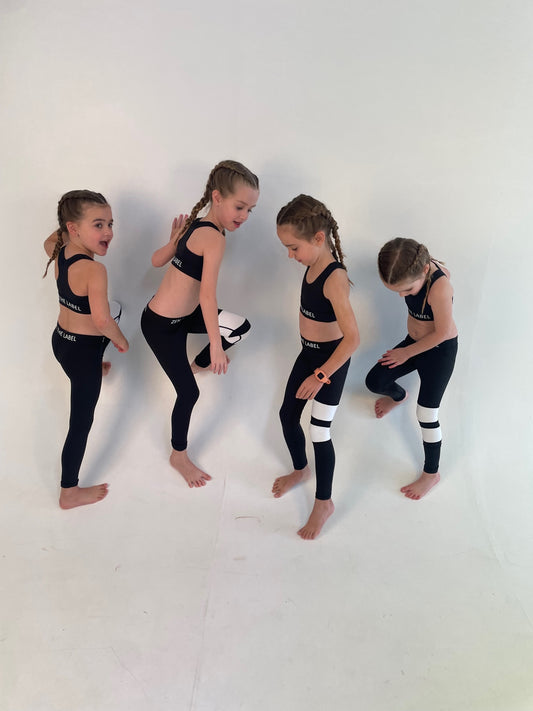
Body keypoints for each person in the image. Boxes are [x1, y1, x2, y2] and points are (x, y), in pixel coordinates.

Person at [141, 160, 259, 488]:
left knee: (240, 326)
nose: (244, 216)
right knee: (189, 393)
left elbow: (157, 261)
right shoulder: (213, 238)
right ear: (217, 197)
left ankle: (199, 363)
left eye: (250, 210)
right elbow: (206, 295)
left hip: (184, 317)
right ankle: (178, 455)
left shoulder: (199, 225)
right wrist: (217, 347)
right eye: (240, 207)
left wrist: (174, 240)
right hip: (161, 326)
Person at [273, 195, 359, 539]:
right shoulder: (312, 265)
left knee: (319, 431)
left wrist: (321, 375)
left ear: (318, 238)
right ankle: (300, 470)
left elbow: (353, 339)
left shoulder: (335, 278)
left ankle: (324, 502)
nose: (290, 255)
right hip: (307, 354)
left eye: (294, 248)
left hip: (330, 363)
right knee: (287, 415)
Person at [43, 190, 129, 509]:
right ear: (74, 228)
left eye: (110, 223)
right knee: (80, 424)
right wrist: (121, 341)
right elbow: (103, 321)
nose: (108, 232)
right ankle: (69, 492)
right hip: (82, 354)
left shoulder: (59, 248)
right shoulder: (95, 270)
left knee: (116, 307)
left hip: (60, 342)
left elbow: (48, 240)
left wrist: (71, 226)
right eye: (98, 224)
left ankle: (96, 367)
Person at [365, 237, 458, 500]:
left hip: (439, 352)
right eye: (396, 291)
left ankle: (431, 473)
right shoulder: (418, 265)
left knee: (426, 414)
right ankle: (399, 396)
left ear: (425, 270)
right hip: (414, 344)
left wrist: (406, 353)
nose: (402, 296)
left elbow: (442, 333)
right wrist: (408, 349)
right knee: (374, 381)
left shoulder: (440, 288)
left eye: (407, 290)